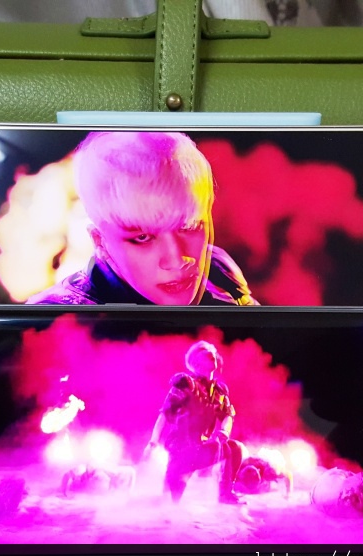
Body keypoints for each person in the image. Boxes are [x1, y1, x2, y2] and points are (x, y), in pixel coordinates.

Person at [26, 131, 258, 305]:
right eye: (143, 237)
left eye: (188, 225)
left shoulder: (220, 275)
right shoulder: (50, 325)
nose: (176, 260)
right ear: (99, 241)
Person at [143, 340, 245, 504]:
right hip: (181, 451)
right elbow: (165, 414)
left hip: (200, 449)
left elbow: (228, 415)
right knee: (169, 503)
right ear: (196, 362)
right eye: (205, 352)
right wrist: (153, 441)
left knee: (234, 448)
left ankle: (225, 494)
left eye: (212, 352)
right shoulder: (186, 384)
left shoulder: (219, 391)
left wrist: (224, 431)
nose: (211, 353)